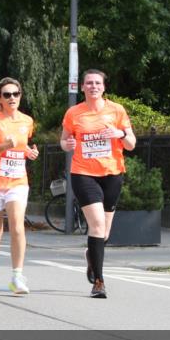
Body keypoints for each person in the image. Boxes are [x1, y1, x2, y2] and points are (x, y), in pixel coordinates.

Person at [60, 69, 136, 299]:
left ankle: (91, 257)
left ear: (104, 87)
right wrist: (68, 143)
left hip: (112, 173)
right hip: (83, 173)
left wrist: (119, 133)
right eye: (89, 83)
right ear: (82, 87)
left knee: (104, 232)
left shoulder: (116, 110)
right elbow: (63, 140)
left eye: (97, 83)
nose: (93, 86)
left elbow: (131, 144)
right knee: (97, 226)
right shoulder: (74, 113)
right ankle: (99, 283)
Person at [0, 78, 39, 295]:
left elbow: (23, 147)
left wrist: (29, 153)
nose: (12, 98)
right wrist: (4, 145)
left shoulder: (27, 121)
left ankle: (17, 277)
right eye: (7, 95)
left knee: (17, 226)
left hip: (17, 182)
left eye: (16, 93)